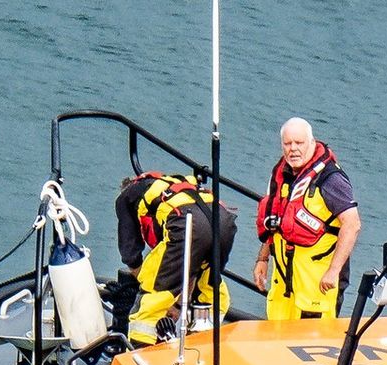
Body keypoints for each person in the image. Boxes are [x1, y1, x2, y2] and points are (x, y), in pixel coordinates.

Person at [253, 118, 360, 320]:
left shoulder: (331, 180)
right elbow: (274, 217)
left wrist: (333, 271)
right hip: (284, 285)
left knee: (312, 346)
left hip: (316, 286)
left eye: (299, 143)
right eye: (288, 143)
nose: (293, 149)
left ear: (311, 143)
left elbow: (352, 225)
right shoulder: (281, 174)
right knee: (276, 342)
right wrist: (263, 258)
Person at [113, 171, 237, 344]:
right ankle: (204, 347)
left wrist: (170, 298)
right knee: (210, 291)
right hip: (224, 223)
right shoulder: (173, 190)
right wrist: (179, 297)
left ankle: (139, 358)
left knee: (150, 305)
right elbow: (189, 267)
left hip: (186, 225)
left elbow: (133, 262)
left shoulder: (126, 200)